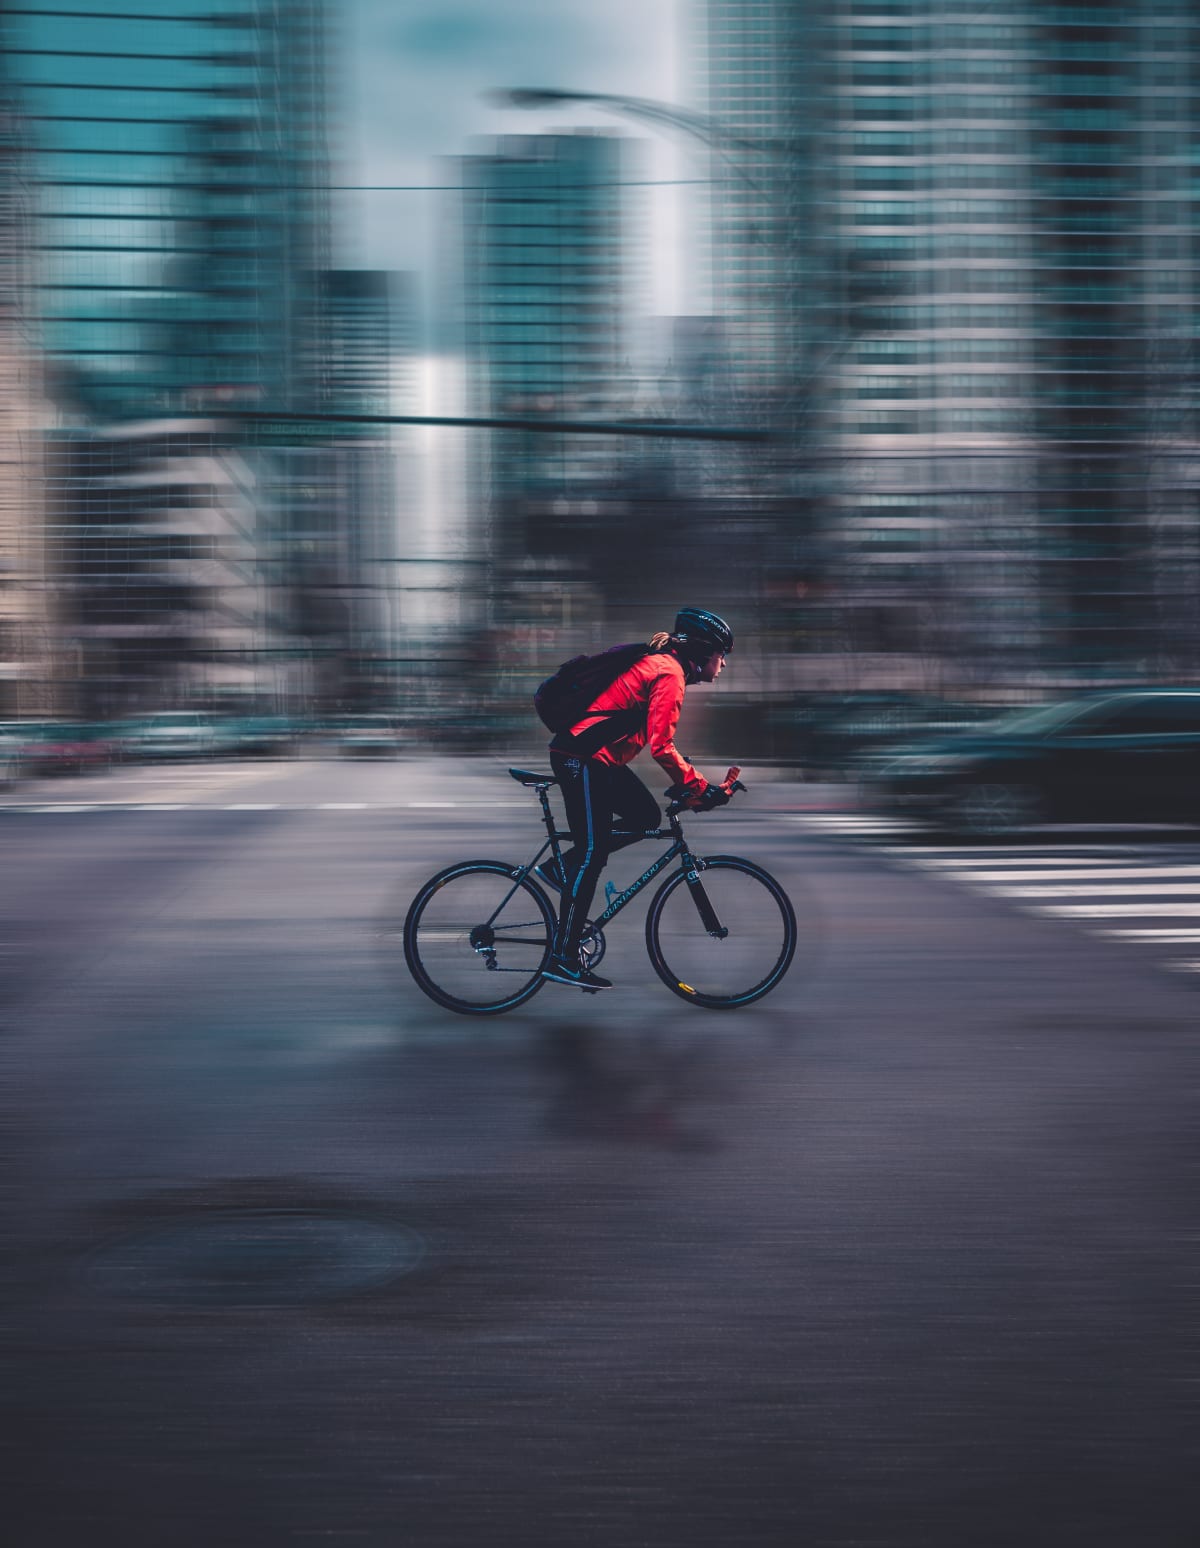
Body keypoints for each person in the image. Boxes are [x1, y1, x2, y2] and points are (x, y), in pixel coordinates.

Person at [540, 606, 736, 990]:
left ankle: (563, 868)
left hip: (597, 758)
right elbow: (662, 747)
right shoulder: (670, 673)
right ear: (704, 651)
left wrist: (692, 787)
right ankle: (563, 957)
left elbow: (656, 742)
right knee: (592, 854)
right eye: (722, 654)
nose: (724, 664)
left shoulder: (665, 667)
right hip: (581, 757)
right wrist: (698, 786)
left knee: (646, 817)